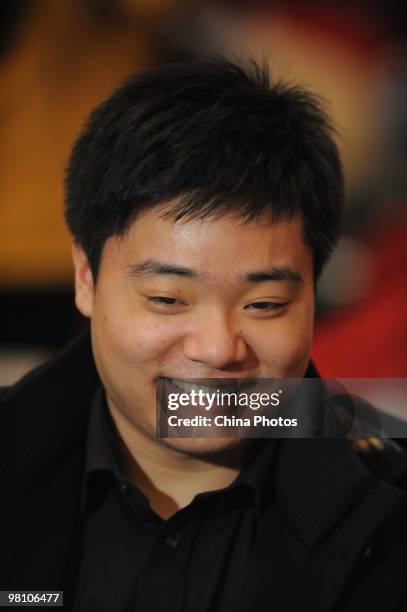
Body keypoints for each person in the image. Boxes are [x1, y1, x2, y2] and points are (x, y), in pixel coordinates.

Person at [1, 57, 407, 612]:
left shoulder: (389, 504)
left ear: (315, 294)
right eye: (168, 300)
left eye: (264, 304)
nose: (218, 349)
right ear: (86, 278)